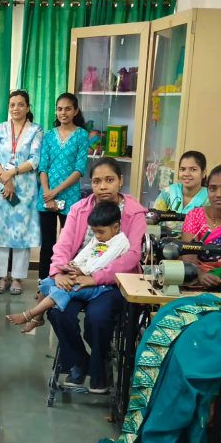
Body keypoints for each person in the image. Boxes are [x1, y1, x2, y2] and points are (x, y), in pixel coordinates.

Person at [47, 158, 146, 394]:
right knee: (58, 311)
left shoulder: (134, 213)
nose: (102, 187)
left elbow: (132, 256)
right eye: (96, 181)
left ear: (120, 181)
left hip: (114, 283)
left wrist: (96, 278)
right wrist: (59, 272)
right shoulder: (79, 209)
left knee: (98, 318)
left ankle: (100, 365)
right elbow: (63, 246)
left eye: (109, 180)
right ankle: (80, 361)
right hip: (78, 276)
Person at [8, 201, 129, 333]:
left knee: (64, 289)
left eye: (100, 232)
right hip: (82, 275)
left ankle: (29, 314)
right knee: (48, 281)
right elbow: (86, 252)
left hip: (99, 285)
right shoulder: (100, 237)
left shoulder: (121, 242)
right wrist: (72, 265)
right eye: (94, 232)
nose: (97, 236)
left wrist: (81, 271)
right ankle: (38, 318)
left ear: (116, 227)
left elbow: (104, 261)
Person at [0, 89, 43, 295]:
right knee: (0, 232)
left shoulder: (36, 130)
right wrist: (4, 178)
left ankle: (17, 278)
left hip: (24, 190)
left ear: (28, 107)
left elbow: (34, 160)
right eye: (12, 105)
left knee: (21, 233)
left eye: (20, 104)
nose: (16, 108)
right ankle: (0, 276)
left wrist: (12, 173)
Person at [37, 92, 90, 280]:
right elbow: (43, 166)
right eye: (60, 109)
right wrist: (46, 192)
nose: (63, 113)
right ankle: (43, 282)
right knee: (48, 243)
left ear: (75, 111)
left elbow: (79, 169)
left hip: (70, 196)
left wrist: (55, 192)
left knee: (70, 243)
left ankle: (68, 281)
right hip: (45, 195)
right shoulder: (49, 135)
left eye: (68, 109)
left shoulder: (82, 135)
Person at [152, 150, 209, 232]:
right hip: (163, 241)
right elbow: (153, 219)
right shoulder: (168, 192)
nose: (186, 173)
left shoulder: (209, 198)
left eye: (193, 169)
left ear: (203, 173)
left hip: (194, 243)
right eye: (182, 169)